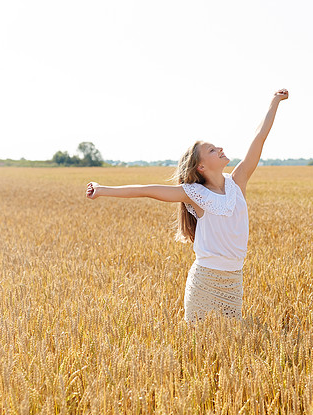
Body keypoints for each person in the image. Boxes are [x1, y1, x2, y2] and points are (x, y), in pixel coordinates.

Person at [86, 89, 288, 322]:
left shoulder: (238, 182)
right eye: (212, 150)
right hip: (204, 281)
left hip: (234, 280)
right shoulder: (194, 194)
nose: (220, 148)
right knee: (197, 342)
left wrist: (274, 102)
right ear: (200, 167)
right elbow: (146, 190)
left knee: (232, 342)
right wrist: (101, 189)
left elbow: (259, 136)